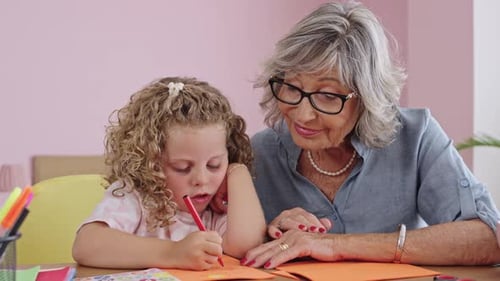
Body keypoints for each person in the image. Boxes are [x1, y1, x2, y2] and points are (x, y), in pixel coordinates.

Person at [239, 1, 500, 269]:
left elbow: (489, 238)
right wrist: (268, 231)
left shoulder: (415, 137)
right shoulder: (259, 154)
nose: (303, 114)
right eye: (292, 88)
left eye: (328, 96)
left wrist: (334, 245)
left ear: (367, 98)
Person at [72, 76, 266, 270]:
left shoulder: (215, 207)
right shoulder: (137, 198)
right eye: (182, 167)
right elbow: (87, 245)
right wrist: (173, 253)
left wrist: (237, 171)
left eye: (214, 165)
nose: (201, 179)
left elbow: (246, 245)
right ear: (149, 163)